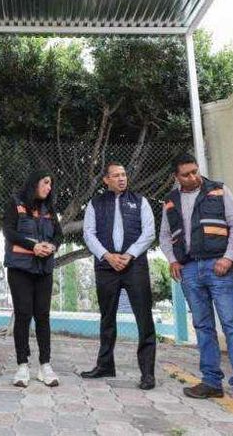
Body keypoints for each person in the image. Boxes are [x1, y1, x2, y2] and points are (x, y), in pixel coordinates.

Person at [160, 153, 233, 415]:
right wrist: (173, 260)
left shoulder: (218, 190)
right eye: (186, 174)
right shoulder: (170, 201)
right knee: (203, 327)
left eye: (195, 171)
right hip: (190, 269)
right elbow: (164, 236)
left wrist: (229, 258)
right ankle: (211, 382)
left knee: (232, 326)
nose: (193, 177)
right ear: (176, 177)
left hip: (219, 267)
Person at [80, 162, 157, 390]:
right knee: (107, 317)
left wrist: (129, 255)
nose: (122, 179)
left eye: (123, 175)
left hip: (134, 267)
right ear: (106, 179)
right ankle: (105, 365)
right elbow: (88, 234)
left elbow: (149, 232)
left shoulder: (140, 201)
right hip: (106, 268)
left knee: (144, 318)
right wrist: (107, 256)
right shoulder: (95, 203)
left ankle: (147, 373)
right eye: (116, 175)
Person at [3, 172, 62, 387]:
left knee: (43, 315)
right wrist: (33, 246)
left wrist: (52, 246)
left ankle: (45, 365)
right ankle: (22, 366)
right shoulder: (16, 203)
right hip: (20, 268)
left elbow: (59, 235)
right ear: (34, 182)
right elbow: (9, 232)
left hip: (43, 269)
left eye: (51, 183)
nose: (49, 187)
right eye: (46, 182)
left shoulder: (49, 208)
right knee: (24, 314)